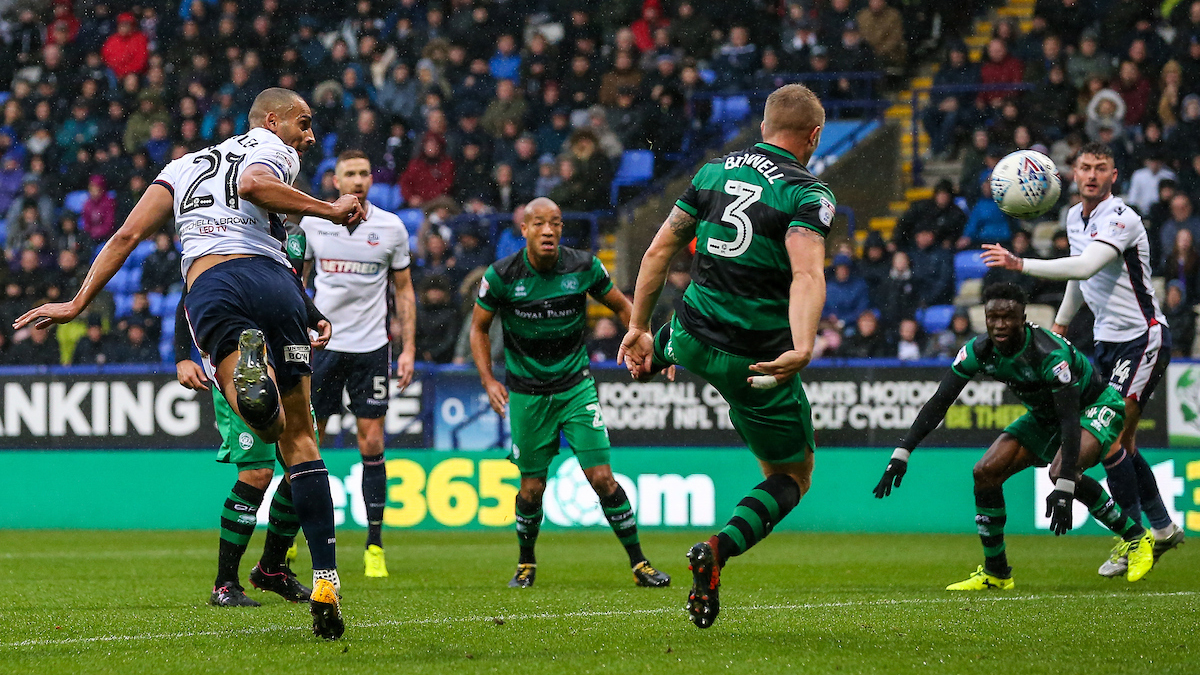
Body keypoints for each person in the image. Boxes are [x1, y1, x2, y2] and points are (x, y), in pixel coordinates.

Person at [14, 88, 364, 640]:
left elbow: (126, 235)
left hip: (211, 285)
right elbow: (253, 185)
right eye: (304, 123)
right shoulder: (273, 148)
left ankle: (254, 387)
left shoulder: (180, 169)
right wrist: (329, 208)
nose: (309, 135)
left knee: (265, 426)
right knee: (300, 439)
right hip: (273, 284)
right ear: (271, 120)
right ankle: (325, 578)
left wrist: (77, 302)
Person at [619, 84, 831, 629]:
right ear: (813, 136)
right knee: (790, 476)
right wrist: (803, 346)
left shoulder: (713, 172)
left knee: (681, 330)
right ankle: (716, 550)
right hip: (752, 361)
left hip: (691, 335)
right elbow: (807, 273)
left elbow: (659, 249)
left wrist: (640, 328)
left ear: (763, 127)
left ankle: (656, 353)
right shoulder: (809, 193)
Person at [981, 143, 1185, 577]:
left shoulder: (1122, 218)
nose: (1092, 175)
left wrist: (1020, 263)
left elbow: (1087, 267)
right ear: (1073, 173)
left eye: (1101, 168)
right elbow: (1078, 272)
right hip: (1106, 343)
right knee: (1122, 442)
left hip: (1142, 339)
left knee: (1111, 442)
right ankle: (1162, 528)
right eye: (1085, 167)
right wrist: (1061, 323)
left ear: (1114, 175)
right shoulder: (1075, 217)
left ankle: (1135, 539)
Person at [875, 283, 1155, 588]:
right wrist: (903, 452)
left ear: (1023, 317)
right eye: (992, 317)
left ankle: (1136, 537)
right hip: (1045, 416)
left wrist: (1064, 486)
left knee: (1062, 470)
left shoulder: (1050, 355)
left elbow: (1069, 419)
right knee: (986, 472)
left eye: (1008, 317)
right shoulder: (978, 351)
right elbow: (940, 401)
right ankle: (996, 572)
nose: (999, 324)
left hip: (1093, 407)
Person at [470, 197, 669, 591]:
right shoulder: (502, 275)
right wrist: (489, 380)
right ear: (523, 230)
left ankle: (640, 563)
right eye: (540, 224)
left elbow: (621, 306)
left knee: (602, 478)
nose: (549, 230)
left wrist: (644, 339)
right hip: (527, 394)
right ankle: (526, 564)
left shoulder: (584, 266)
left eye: (556, 223)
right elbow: (479, 328)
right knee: (532, 488)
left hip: (576, 387)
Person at [300, 149, 417, 579]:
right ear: (335, 180)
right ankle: (295, 537)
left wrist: (407, 350)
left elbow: (404, 292)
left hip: (371, 349)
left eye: (364, 173)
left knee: (372, 444)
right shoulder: (314, 224)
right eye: (350, 173)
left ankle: (374, 544)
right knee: (308, 443)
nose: (358, 180)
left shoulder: (391, 228)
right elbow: (297, 283)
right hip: (323, 347)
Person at [174, 292, 312, 608]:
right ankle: (224, 585)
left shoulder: (286, 246)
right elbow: (189, 299)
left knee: (301, 465)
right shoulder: (222, 249)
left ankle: (272, 569)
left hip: (286, 366)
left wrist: (315, 317)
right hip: (240, 371)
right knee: (257, 472)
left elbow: (295, 289)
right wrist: (183, 356)